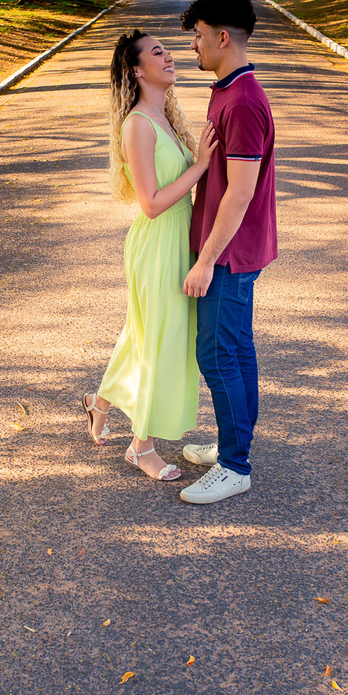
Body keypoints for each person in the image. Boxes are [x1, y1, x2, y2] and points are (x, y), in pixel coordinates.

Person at [82, 30, 218, 482]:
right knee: (160, 336)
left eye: (168, 49)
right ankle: (140, 447)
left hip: (178, 237)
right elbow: (151, 202)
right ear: (137, 70)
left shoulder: (166, 119)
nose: (169, 56)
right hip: (157, 239)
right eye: (157, 52)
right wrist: (199, 166)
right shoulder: (138, 124)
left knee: (145, 334)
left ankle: (99, 402)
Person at [176, 0, 277, 505]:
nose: (191, 45)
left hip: (230, 255)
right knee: (237, 350)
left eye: (197, 35)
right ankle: (233, 447)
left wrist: (206, 260)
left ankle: (236, 467)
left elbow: (239, 193)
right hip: (237, 250)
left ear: (221, 37)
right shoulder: (227, 88)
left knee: (217, 356)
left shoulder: (240, 100)